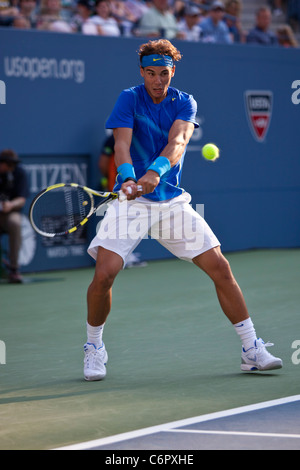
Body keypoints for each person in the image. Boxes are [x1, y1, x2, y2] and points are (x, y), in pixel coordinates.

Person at [83, 38, 283, 381]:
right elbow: (121, 143)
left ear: (173, 71)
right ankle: (94, 347)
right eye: (151, 73)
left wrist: (153, 175)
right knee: (104, 274)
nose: (158, 81)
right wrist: (129, 178)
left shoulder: (184, 102)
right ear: (141, 72)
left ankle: (251, 349)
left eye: (164, 73)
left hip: (171, 202)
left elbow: (178, 143)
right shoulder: (129, 98)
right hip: (132, 203)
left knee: (220, 267)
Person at [0, 149, 28, 283]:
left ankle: (14, 269)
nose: (12, 168)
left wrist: (10, 205)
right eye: (8, 164)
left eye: (13, 165)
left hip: (10, 213)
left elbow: (22, 199)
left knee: (16, 223)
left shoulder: (19, 172)